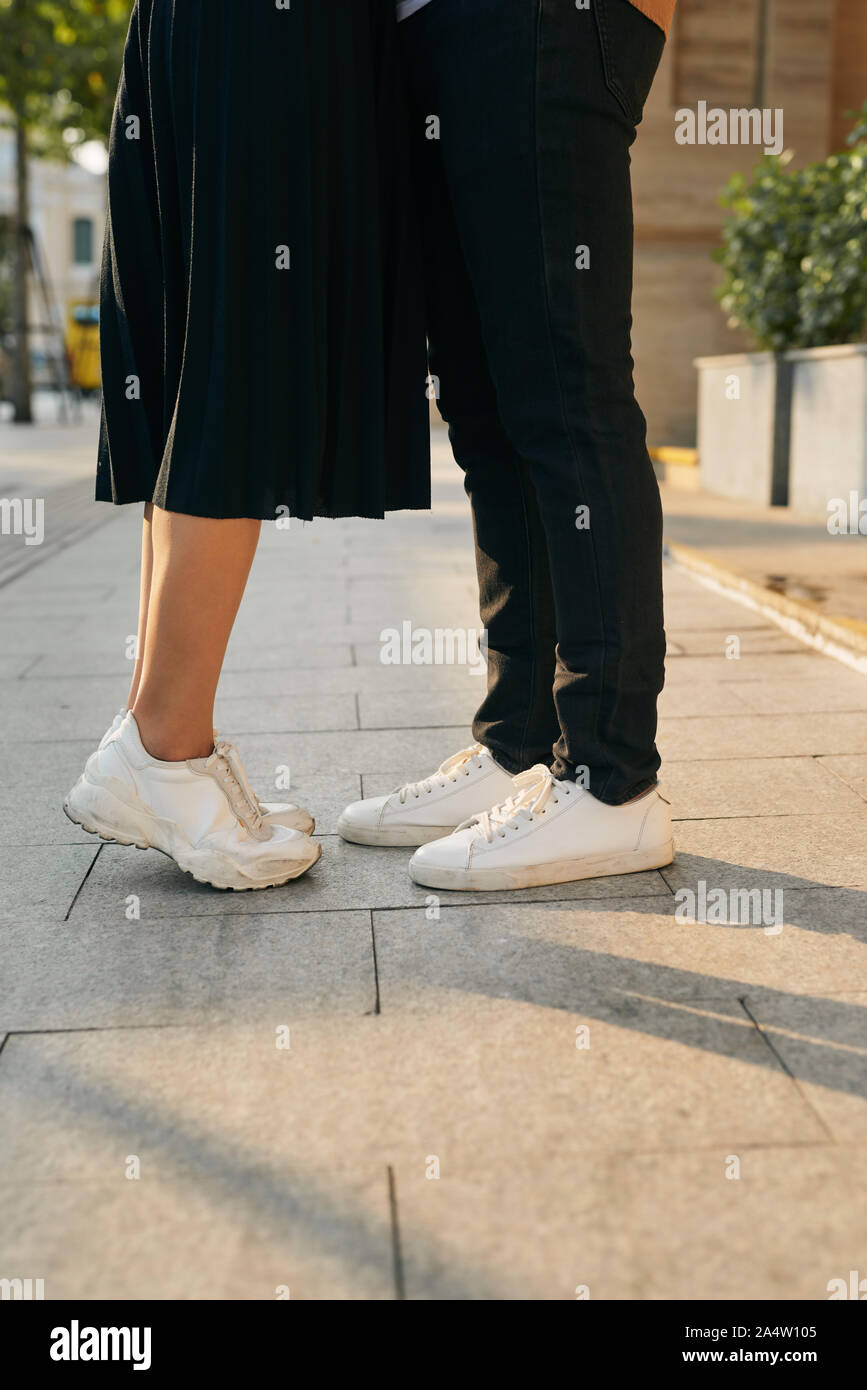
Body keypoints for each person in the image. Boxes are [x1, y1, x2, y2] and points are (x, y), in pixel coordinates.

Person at [64, 0, 430, 891]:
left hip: (218, 30)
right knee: (238, 367)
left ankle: (159, 740)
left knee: (203, 362)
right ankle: (164, 743)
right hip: (271, 33)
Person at [339, 0, 678, 891]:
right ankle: (517, 748)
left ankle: (612, 781)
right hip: (427, 33)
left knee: (567, 394)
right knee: (486, 417)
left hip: (542, 22)